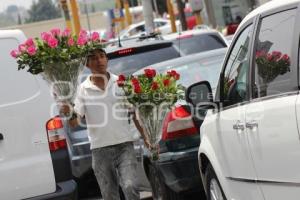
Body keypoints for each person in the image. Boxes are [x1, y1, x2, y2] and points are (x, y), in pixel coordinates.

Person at [60, 48, 151, 200]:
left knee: (130, 186)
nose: (99, 60)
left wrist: (147, 138)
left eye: (102, 56)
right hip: (100, 150)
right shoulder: (82, 90)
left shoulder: (121, 83)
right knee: (109, 195)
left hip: (125, 146)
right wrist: (68, 111)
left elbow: (135, 113)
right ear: (87, 64)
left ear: (107, 60)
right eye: (94, 58)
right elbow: (75, 123)